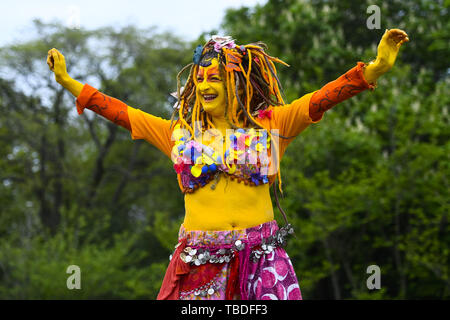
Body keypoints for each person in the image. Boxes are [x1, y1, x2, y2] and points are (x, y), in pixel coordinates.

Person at [47, 29, 408, 300]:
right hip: (199, 263)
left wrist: (374, 69)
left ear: (235, 81)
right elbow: (121, 112)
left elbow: (322, 99)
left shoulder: (272, 124)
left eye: (214, 78)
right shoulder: (178, 133)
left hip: (261, 261)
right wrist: (67, 81)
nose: (204, 85)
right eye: (199, 79)